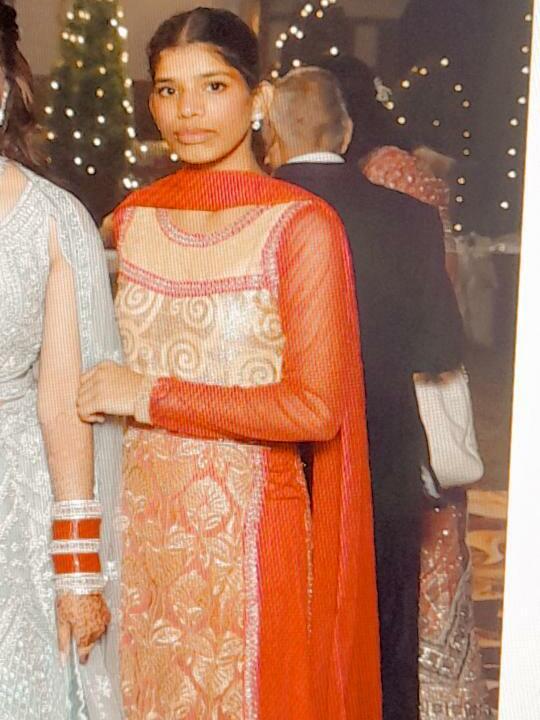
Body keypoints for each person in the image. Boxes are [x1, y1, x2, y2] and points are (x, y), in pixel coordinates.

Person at [77, 8, 381, 720]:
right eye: (168, 90)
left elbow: (315, 409)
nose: (188, 111)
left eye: (213, 86)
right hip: (135, 538)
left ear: (258, 96)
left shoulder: (301, 225)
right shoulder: (132, 220)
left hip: (250, 543)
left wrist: (148, 395)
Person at [264, 66, 464, 720]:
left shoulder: (250, 216)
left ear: (271, 135)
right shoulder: (410, 219)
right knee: (387, 634)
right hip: (385, 450)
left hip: (273, 450)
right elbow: (440, 349)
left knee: (283, 629)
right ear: (347, 131)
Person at [0, 3, 124, 719]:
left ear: (6, 88)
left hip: (12, 510)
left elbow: (62, 407)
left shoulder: (52, 222)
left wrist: (78, 572)